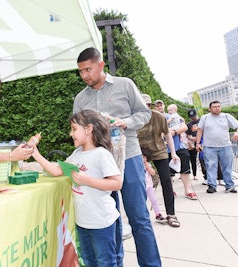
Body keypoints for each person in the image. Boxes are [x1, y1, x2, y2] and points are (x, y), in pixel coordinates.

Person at [73, 47, 161, 267]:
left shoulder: (125, 84)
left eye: (88, 69)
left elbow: (145, 113)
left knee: (139, 217)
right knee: (109, 221)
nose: (84, 75)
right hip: (97, 166)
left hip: (128, 158)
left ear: (101, 65)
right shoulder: (80, 99)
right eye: (81, 71)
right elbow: (77, 130)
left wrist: (125, 122)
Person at [32, 109, 122, 267]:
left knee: (105, 262)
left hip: (102, 223)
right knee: (88, 261)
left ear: (88, 129)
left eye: (74, 129)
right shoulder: (77, 154)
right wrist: (35, 153)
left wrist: (87, 180)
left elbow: (116, 183)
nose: (70, 133)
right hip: (83, 223)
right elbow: (56, 171)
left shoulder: (101, 154)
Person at [137, 94, 181, 228]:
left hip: (159, 150)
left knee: (166, 181)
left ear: (150, 105)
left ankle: (171, 214)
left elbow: (167, 134)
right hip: (140, 153)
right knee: (138, 183)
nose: (144, 108)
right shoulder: (133, 118)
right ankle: (140, 215)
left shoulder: (158, 116)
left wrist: (173, 152)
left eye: (147, 105)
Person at [196, 100, 238, 193]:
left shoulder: (226, 116)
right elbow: (199, 131)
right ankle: (212, 185)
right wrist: (197, 143)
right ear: (209, 109)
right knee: (210, 166)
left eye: (218, 106)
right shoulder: (205, 118)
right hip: (209, 146)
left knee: (227, 166)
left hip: (225, 145)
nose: (217, 108)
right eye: (214, 107)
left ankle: (229, 185)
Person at [141, 148, 166, 224]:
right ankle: (143, 215)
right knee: (142, 202)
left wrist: (147, 166)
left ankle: (158, 214)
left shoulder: (148, 164)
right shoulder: (137, 166)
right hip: (142, 187)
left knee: (154, 200)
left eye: (144, 157)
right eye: (141, 156)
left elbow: (153, 173)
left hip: (149, 186)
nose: (143, 158)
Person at [186, 109, 200, 180]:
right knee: (193, 159)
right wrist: (192, 138)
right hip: (192, 143)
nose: (193, 118)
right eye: (191, 117)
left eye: (194, 116)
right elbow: (188, 135)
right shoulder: (189, 124)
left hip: (202, 142)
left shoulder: (201, 121)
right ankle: (194, 175)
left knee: (203, 159)